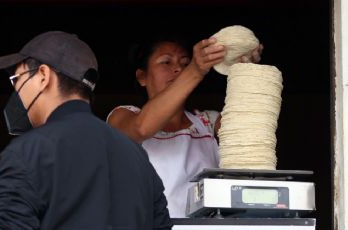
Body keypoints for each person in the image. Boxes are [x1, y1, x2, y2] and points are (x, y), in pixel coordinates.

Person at [0, 31, 172, 230]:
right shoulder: (137, 157)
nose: (16, 89)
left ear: (43, 76)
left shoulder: (28, 152)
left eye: (16, 78)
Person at [106, 34, 262, 217]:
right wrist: (194, 70)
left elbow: (251, 135)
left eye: (185, 63)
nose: (178, 68)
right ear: (142, 77)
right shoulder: (123, 115)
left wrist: (246, 72)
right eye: (166, 62)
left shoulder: (208, 123)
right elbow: (141, 128)